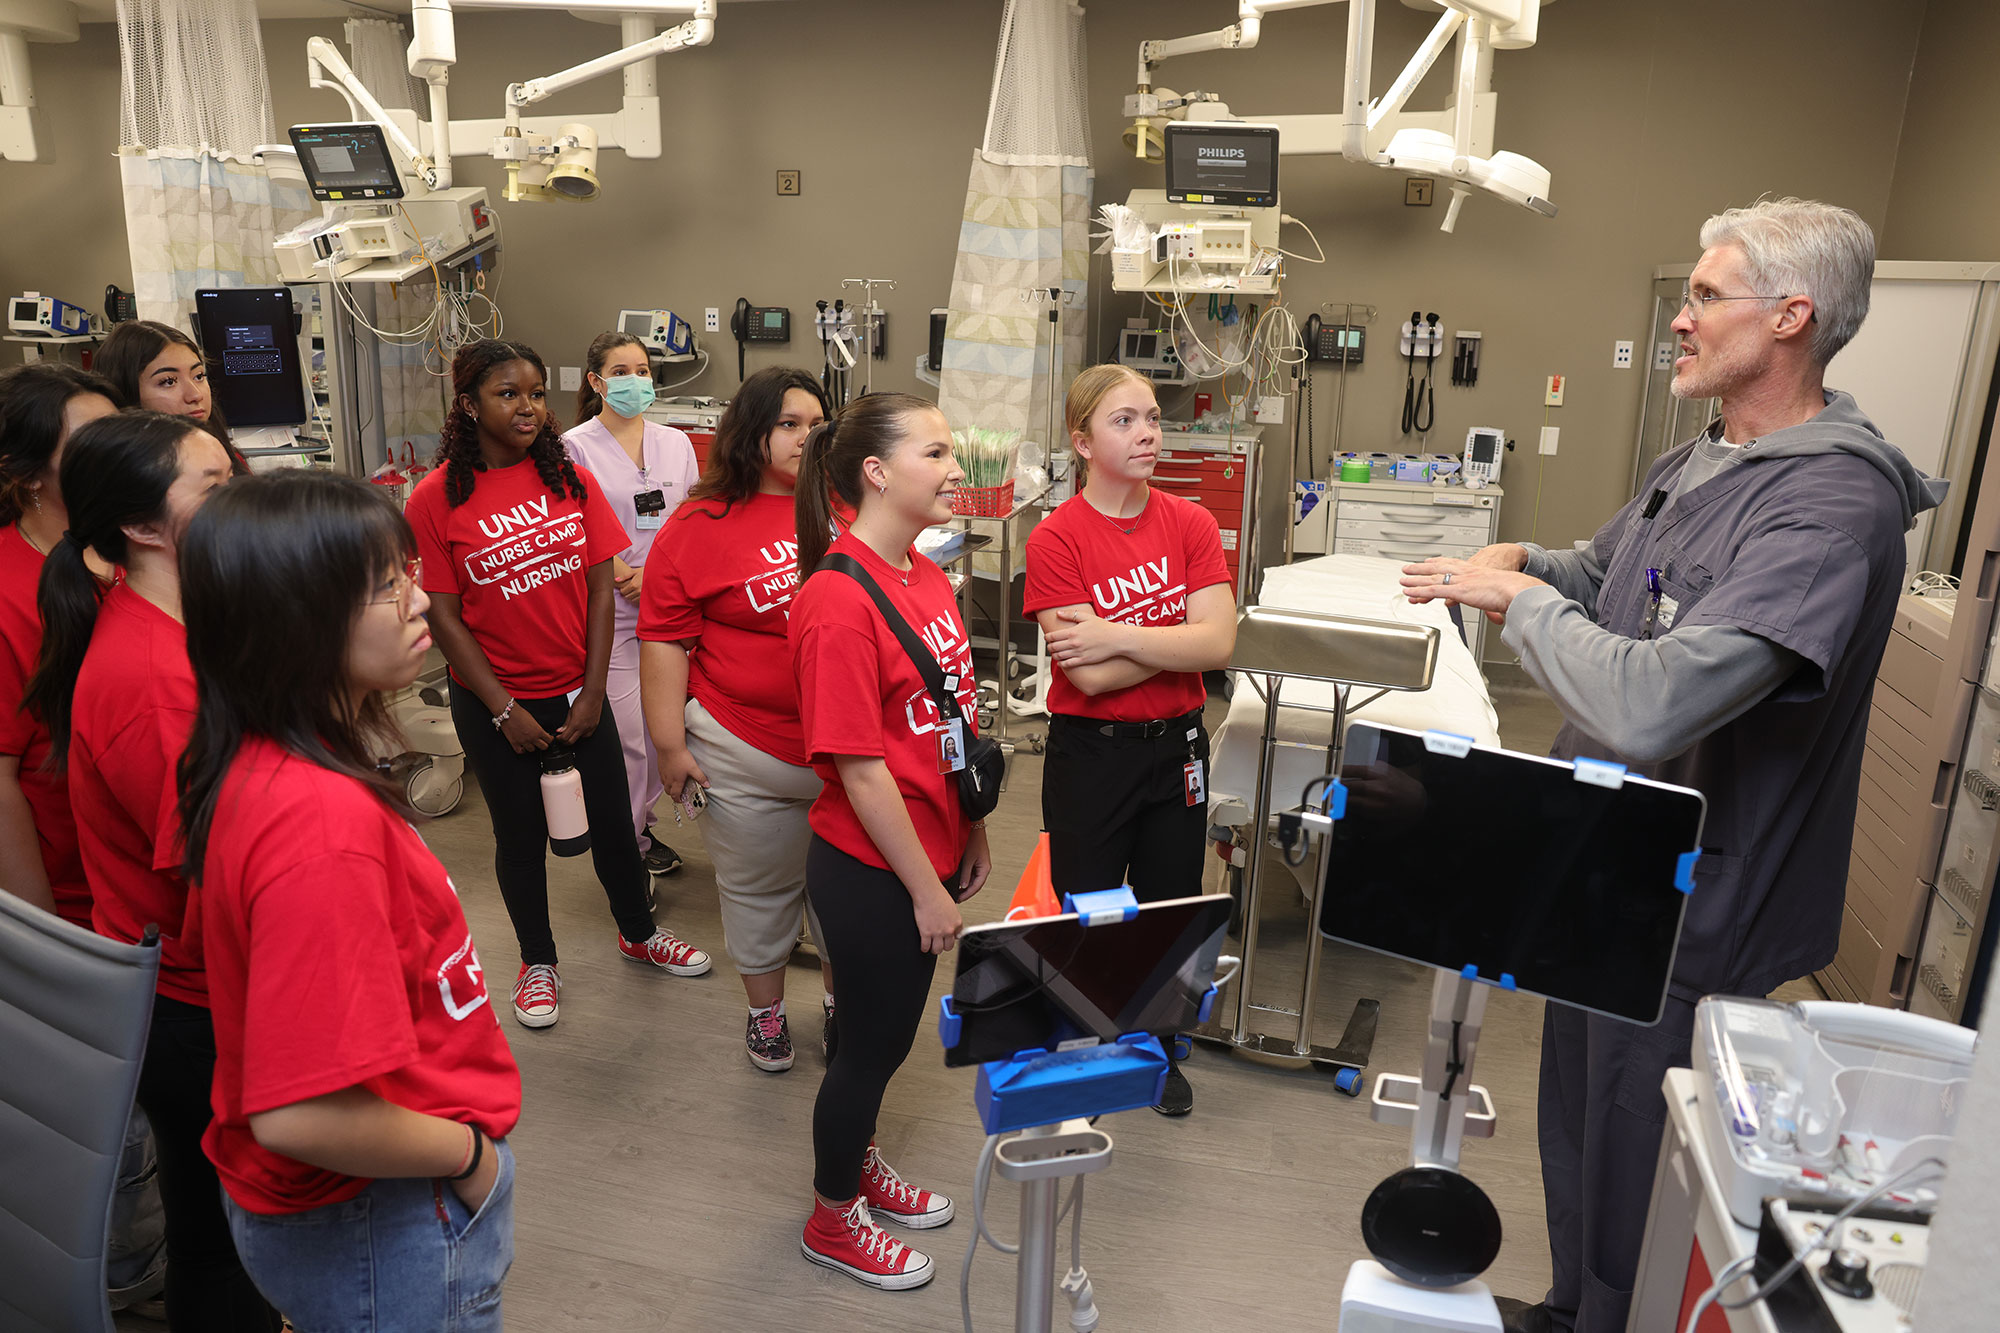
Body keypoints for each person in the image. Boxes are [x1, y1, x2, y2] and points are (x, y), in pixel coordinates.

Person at [1399, 198, 1946, 1333]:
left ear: (1790, 315)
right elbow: (1612, 574)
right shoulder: (1704, 455)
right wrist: (1520, 561)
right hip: (1604, 865)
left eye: (1704, 297)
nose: (1680, 321)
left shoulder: (1830, 507)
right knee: (1578, 1121)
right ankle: (1573, 1311)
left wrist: (1521, 601)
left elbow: (1653, 702)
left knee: (1644, 1154)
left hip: (1701, 901)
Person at [176, 472, 521, 1331]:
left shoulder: (289, 760)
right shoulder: (316, 823)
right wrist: (472, 1157)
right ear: (294, 620)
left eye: (406, 571)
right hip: (379, 1209)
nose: (417, 601)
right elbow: (301, 1111)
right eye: (382, 586)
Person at [20, 410, 267, 1328]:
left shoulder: (181, 625)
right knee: (225, 1240)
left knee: (225, 1227)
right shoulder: (153, 677)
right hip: (197, 1003)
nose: (237, 491)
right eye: (213, 484)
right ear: (142, 526)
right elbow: (214, 877)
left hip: (202, 987)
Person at [407, 339, 709, 1033]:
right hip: (494, 699)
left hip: (579, 688)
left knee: (616, 821)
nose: (528, 406)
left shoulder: (566, 480)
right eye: (508, 393)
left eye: (537, 392)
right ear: (469, 403)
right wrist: (504, 706)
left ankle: (637, 931)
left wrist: (593, 691)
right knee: (518, 836)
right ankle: (536, 960)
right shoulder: (435, 498)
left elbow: (602, 591)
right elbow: (444, 617)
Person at [789, 393, 992, 1290]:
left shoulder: (926, 572)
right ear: (876, 472)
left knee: (886, 1042)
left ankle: (862, 1165)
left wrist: (972, 827)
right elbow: (862, 770)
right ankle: (833, 1217)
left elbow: (949, 720)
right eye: (938, 451)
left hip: (930, 845)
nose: (957, 470)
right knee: (869, 1048)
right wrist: (926, 888)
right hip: (875, 868)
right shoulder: (835, 600)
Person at [1022, 363, 1236, 1117]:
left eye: (1151, 416)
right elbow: (1088, 681)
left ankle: (1156, 1046)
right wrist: (1169, 637)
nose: (1148, 431)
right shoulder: (1055, 540)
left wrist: (1113, 631)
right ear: (1082, 441)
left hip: (1176, 746)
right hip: (1092, 755)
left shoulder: (1190, 523)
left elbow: (1217, 643)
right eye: (1125, 420)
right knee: (1091, 904)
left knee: (1169, 903)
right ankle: (1091, 1038)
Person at [639, 367, 835, 1072]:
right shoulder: (700, 523)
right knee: (759, 892)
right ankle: (767, 1014)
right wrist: (668, 745)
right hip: (743, 749)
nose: (806, 436)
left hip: (846, 756)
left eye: (817, 423)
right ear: (751, 432)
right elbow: (663, 639)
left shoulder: (849, 506)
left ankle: (840, 1010)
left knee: (845, 898)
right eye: (789, 423)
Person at [562, 331, 699, 878]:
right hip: (611, 607)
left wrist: (661, 578)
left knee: (669, 724)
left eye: (643, 370)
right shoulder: (575, 448)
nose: (636, 381)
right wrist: (627, 575)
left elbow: (688, 520)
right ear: (596, 382)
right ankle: (627, 847)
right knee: (628, 739)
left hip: (668, 606)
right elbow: (573, 526)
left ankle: (641, 827)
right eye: (622, 371)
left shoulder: (676, 443)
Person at [0, 363, 115, 924]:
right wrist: (46, 943)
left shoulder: (136, 548)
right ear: (27, 477)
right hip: (76, 905)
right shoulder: (8, 593)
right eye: (91, 445)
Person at [97, 319, 250, 474]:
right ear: (125, 392)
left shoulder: (227, 455)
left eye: (198, 376)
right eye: (168, 381)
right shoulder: (127, 479)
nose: (195, 395)